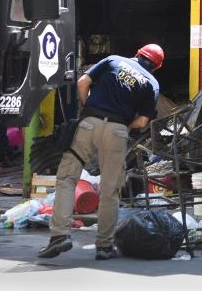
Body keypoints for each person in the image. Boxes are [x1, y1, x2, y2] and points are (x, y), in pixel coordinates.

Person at [38, 44, 163, 260]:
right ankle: (104, 246)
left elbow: (82, 82)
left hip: (89, 124)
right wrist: (123, 124)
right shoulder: (151, 83)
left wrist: (89, 108)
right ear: (156, 67)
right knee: (110, 189)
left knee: (67, 178)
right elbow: (143, 121)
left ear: (137, 53)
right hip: (117, 132)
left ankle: (59, 236)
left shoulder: (113, 59)